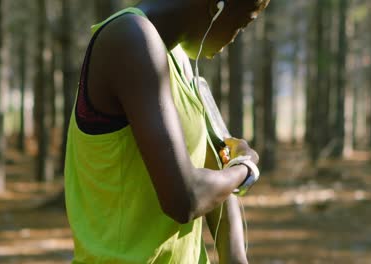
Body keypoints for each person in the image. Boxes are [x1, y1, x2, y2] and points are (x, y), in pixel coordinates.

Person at [64, 0, 270, 263]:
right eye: (242, 24)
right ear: (216, 6)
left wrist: (236, 257)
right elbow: (185, 198)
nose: (234, 38)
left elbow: (216, 165)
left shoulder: (178, 59)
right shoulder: (129, 38)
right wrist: (245, 169)